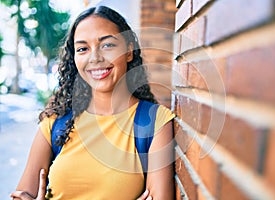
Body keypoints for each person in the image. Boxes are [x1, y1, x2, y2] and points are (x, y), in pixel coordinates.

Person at [10, 5, 175, 200]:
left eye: (107, 45)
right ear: (74, 58)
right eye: (82, 49)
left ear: (129, 51)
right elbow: (20, 196)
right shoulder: (55, 122)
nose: (95, 57)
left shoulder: (155, 123)